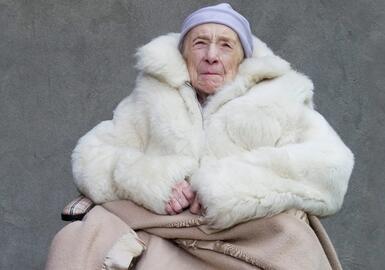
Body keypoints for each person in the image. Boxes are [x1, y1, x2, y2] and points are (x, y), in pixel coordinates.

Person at [71, 3, 354, 230]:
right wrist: (155, 182)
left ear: (243, 58)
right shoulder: (151, 98)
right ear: (184, 55)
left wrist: (225, 188)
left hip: (249, 238)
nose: (211, 56)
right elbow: (90, 156)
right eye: (200, 43)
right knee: (78, 240)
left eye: (226, 45)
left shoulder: (279, 98)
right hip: (162, 236)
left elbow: (331, 167)